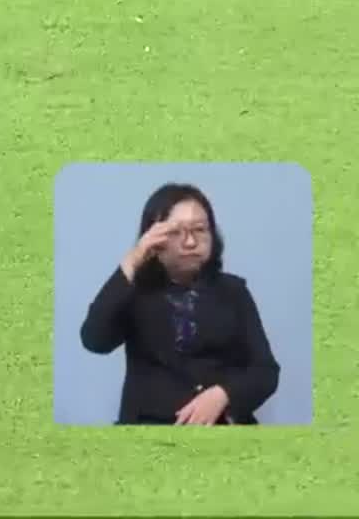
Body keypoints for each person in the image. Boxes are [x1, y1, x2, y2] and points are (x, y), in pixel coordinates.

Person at [79, 182, 281, 425]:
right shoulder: (134, 291)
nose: (190, 242)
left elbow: (266, 371)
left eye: (200, 230)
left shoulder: (234, 291)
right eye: (176, 232)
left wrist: (223, 395)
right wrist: (134, 259)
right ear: (152, 237)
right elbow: (94, 340)